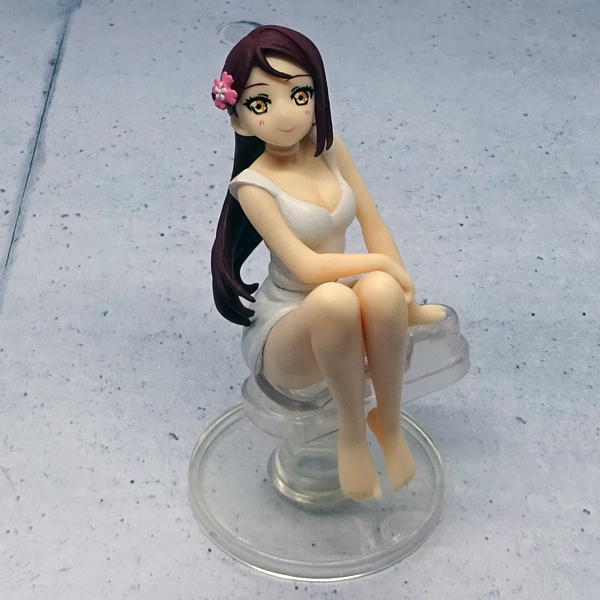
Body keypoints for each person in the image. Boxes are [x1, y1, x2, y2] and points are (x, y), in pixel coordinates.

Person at [211, 25, 445, 501]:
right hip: (289, 325)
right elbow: (306, 268)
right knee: (335, 299)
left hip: (340, 296)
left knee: (379, 290)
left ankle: (388, 421)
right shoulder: (253, 186)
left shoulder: (330, 149)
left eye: (300, 94)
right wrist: (381, 264)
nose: (285, 114)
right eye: (261, 102)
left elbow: (373, 222)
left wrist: (405, 299)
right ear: (239, 121)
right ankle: (351, 436)